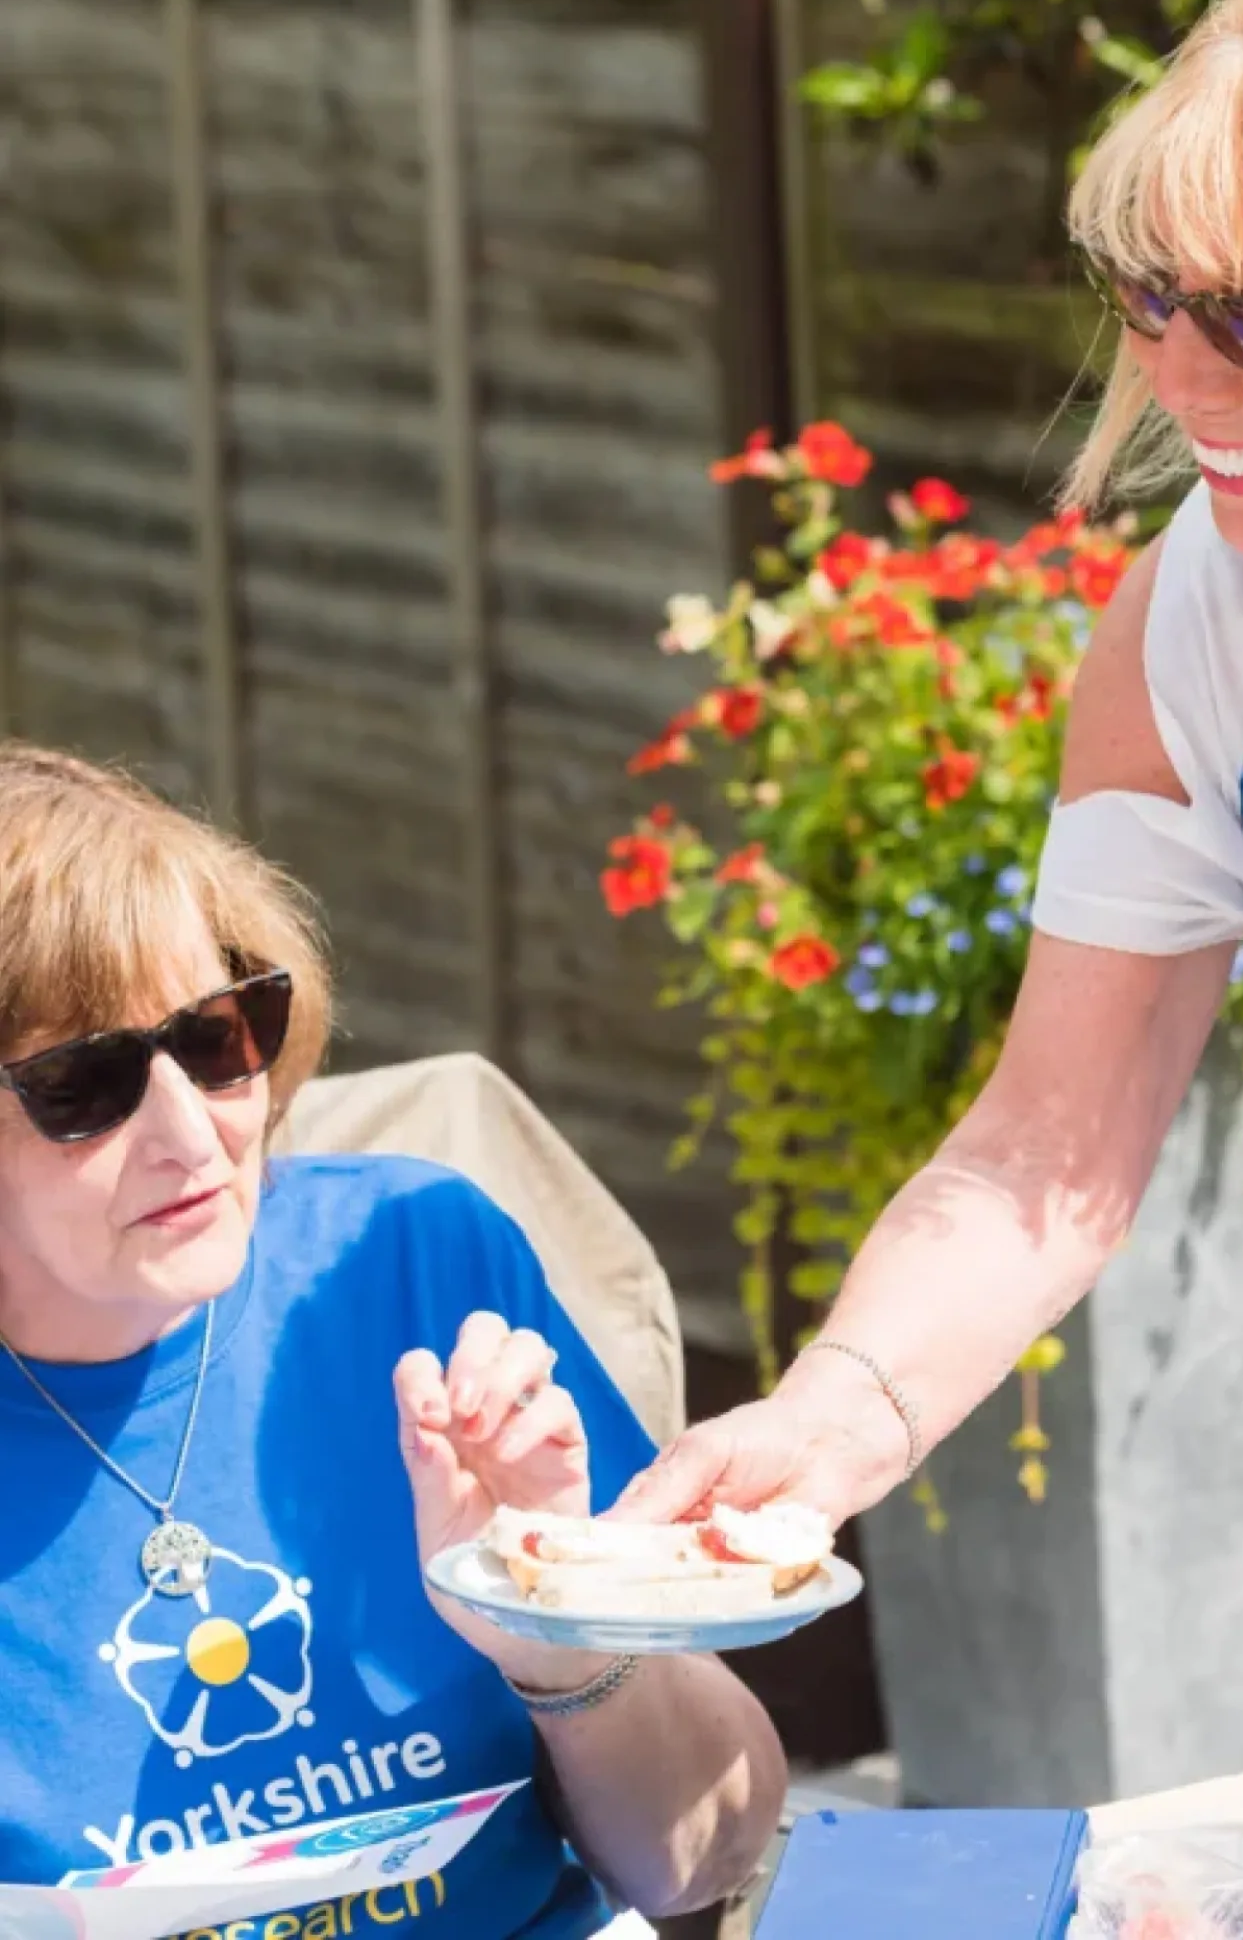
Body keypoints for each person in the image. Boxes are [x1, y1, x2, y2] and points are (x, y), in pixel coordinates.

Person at [617, 0, 1243, 1741]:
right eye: (1146, 299)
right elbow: (1049, 1146)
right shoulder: (1204, 621)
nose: (1179, 379)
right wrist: (832, 1422)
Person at [0, 743, 785, 1936]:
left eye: (215, 1036)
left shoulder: (409, 1261)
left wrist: (561, 1634)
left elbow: (706, 1851)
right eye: (86, 1083)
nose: (193, 1137)